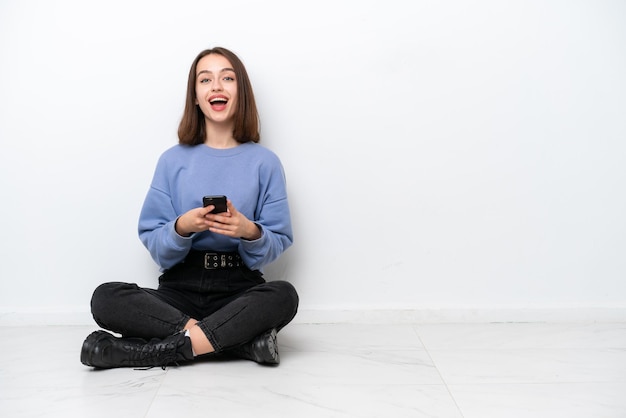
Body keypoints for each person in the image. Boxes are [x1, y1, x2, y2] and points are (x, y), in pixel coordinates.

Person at [80, 47, 299, 369]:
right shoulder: (172, 160)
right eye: (205, 79)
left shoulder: (264, 162)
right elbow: (158, 248)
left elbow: (278, 239)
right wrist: (181, 228)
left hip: (238, 288)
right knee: (106, 297)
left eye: (227, 78)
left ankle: (146, 352)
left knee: (284, 295)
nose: (216, 86)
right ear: (195, 96)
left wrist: (248, 231)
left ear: (242, 93)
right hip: (178, 289)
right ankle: (239, 343)